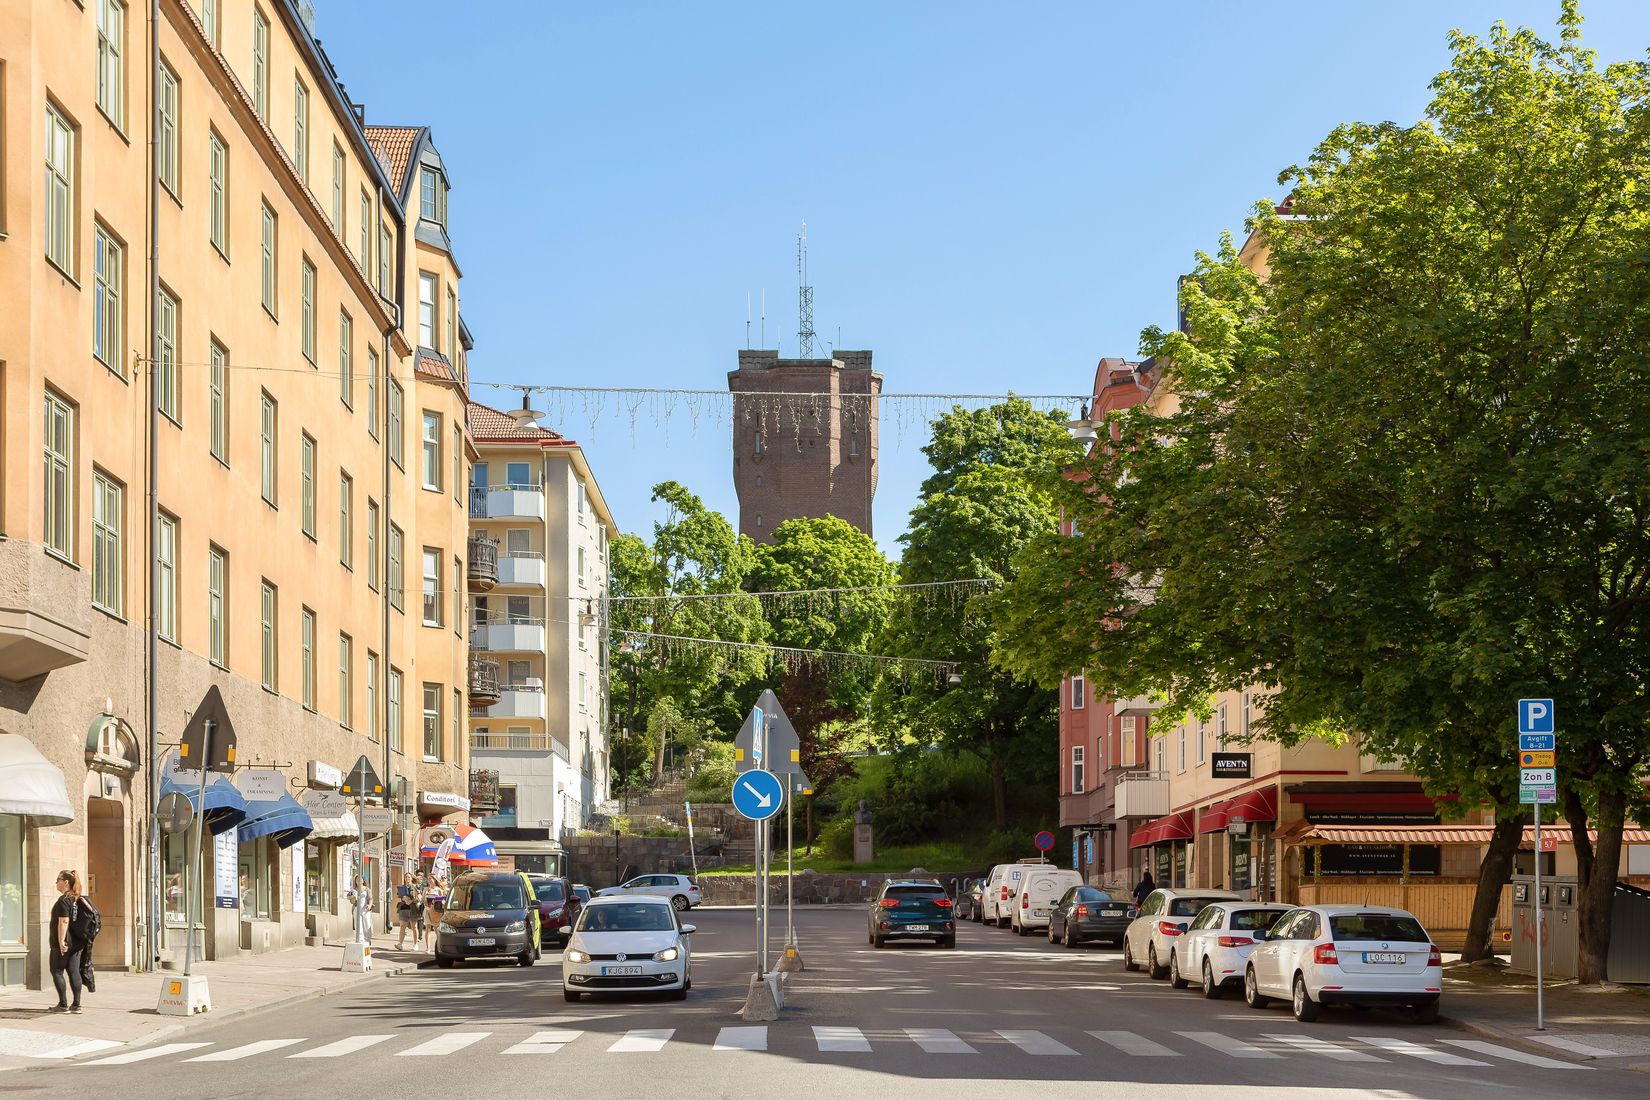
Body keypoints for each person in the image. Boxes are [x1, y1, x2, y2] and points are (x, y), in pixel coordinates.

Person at [48, 870, 85, 1014]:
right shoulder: (78, 899)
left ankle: (63, 1005)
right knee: (74, 971)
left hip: (63, 942)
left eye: (58, 880)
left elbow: (63, 921)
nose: (56, 883)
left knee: (56, 971)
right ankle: (77, 1005)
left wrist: (61, 941)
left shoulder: (64, 900)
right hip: (77, 942)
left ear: (66, 882)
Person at [394, 872, 421, 949]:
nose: (407, 879)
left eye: (409, 877)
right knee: (402, 926)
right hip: (404, 908)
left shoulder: (415, 887)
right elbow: (399, 895)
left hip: (413, 908)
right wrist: (403, 898)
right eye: (406, 877)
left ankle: (415, 944)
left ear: (411, 878)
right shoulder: (402, 887)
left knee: (414, 927)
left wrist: (412, 900)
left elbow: (419, 898)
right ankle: (400, 943)